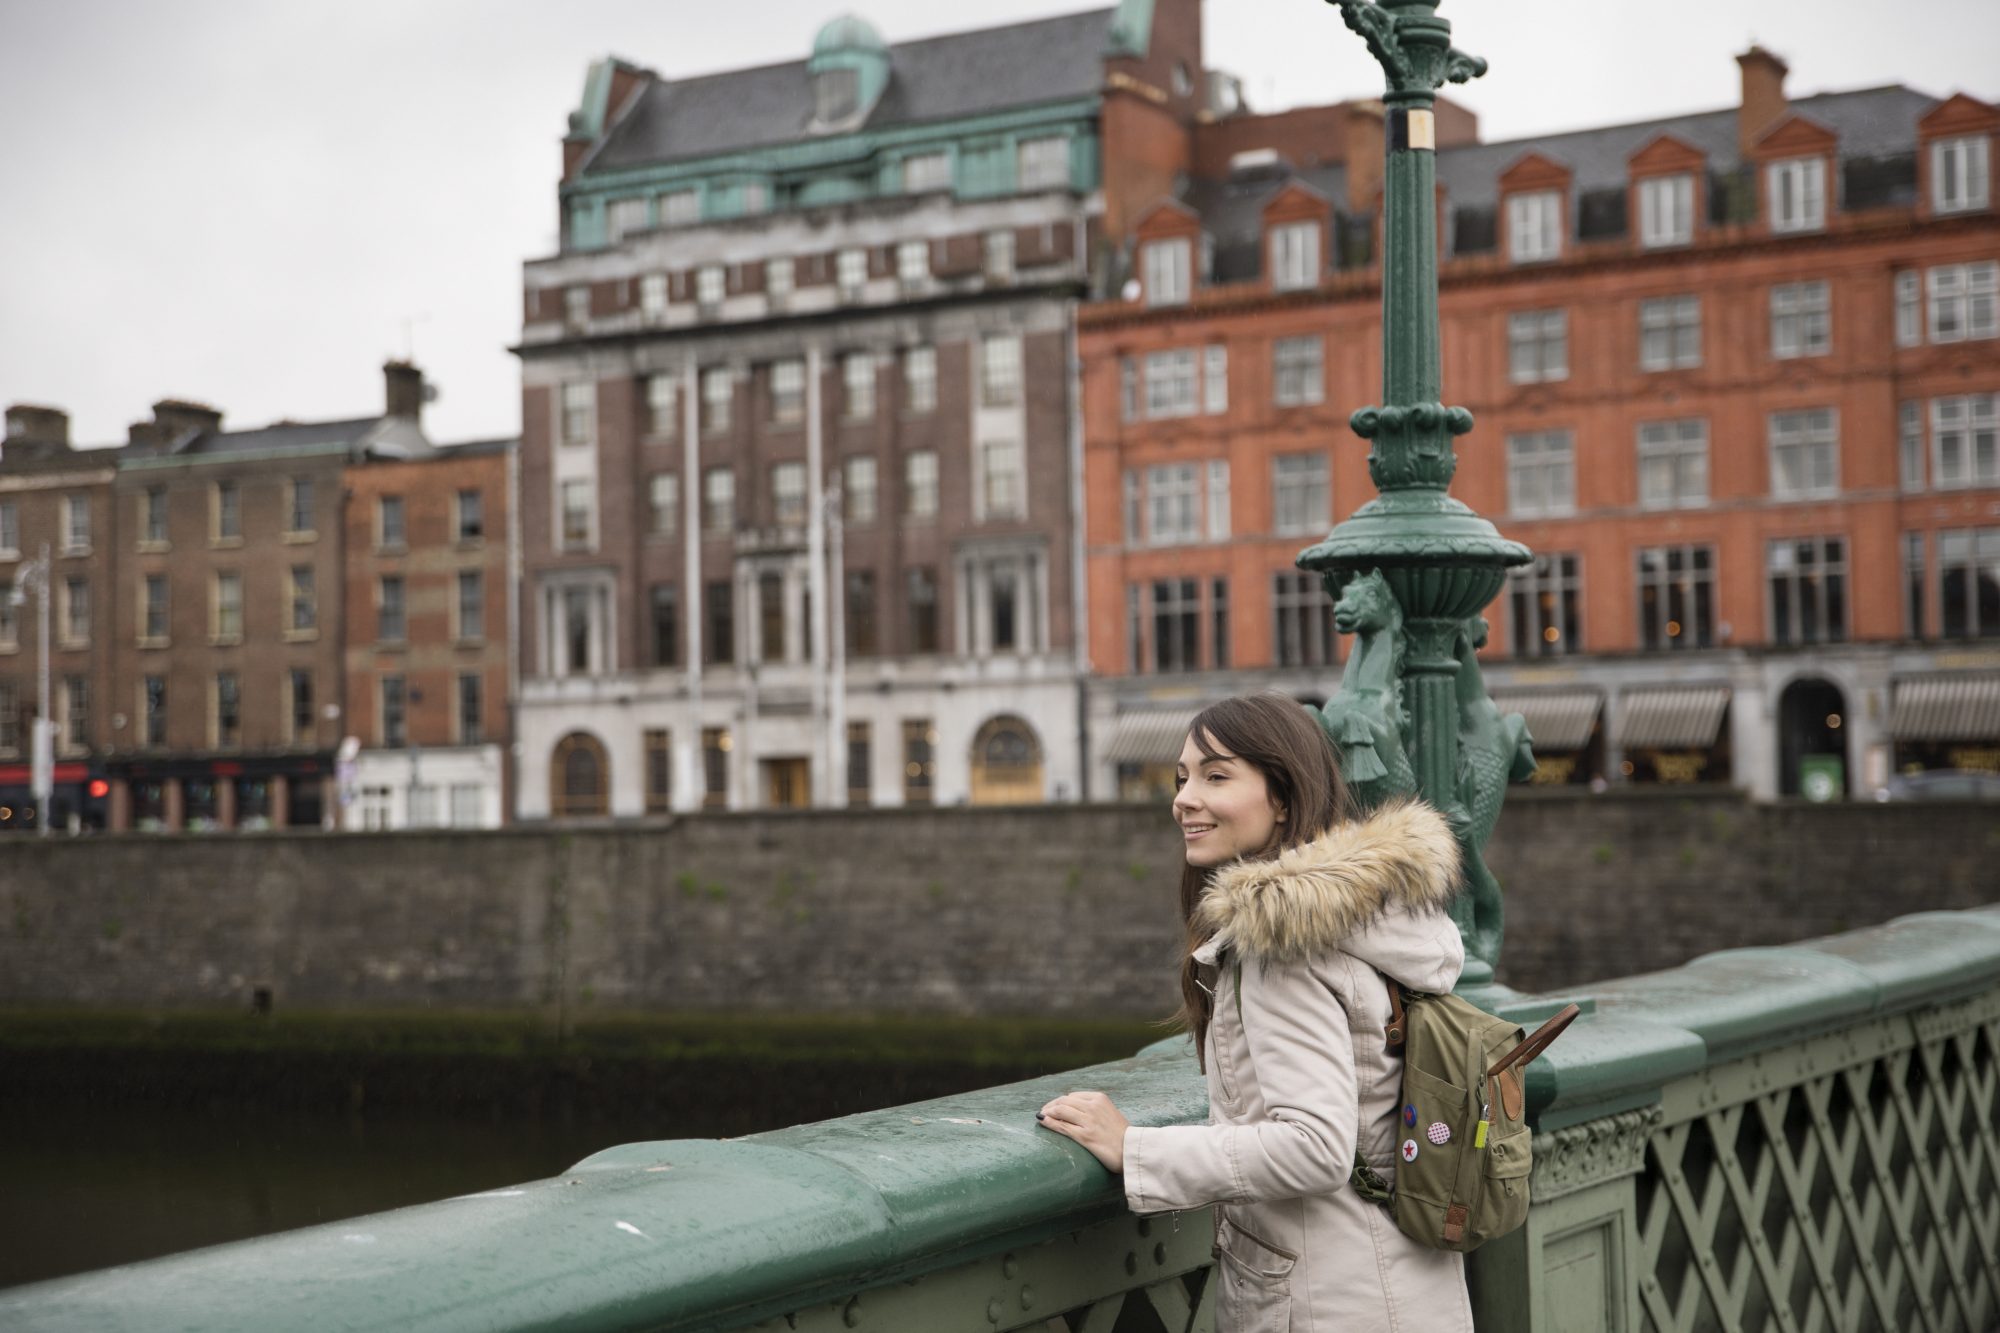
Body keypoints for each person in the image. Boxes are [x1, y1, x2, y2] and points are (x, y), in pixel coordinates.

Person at [1037, 693, 1473, 1332]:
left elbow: (1316, 1148)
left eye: (1217, 776)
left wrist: (1136, 1150)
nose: (1185, 797)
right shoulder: (1369, 923)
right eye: (1182, 777)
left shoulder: (1283, 947)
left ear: (1284, 798)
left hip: (1328, 1303)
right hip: (1404, 1287)